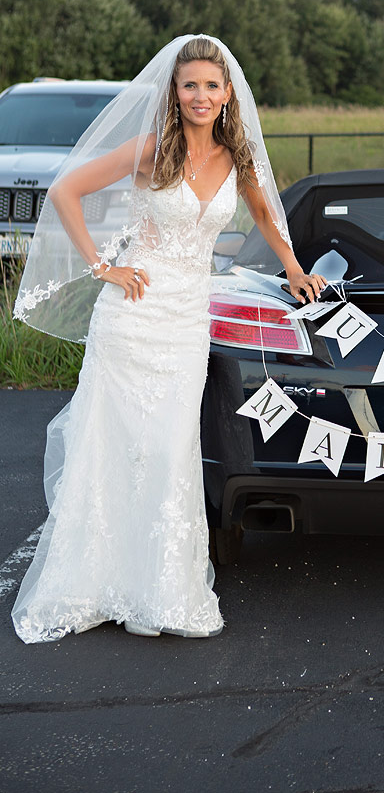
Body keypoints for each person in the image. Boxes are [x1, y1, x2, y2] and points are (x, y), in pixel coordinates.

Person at [12, 34, 325, 643]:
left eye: (212, 85)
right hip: (132, 316)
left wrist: (292, 267)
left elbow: (264, 214)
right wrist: (104, 266)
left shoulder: (238, 160)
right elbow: (64, 191)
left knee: (168, 449)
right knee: (111, 448)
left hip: (186, 321)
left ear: (228, 93)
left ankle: (160, 588)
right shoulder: (151, 148)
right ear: (174, 92)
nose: (201, 96)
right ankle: (92, 584)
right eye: (190, 85)